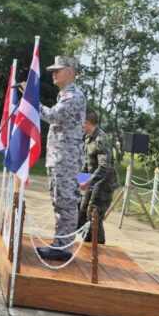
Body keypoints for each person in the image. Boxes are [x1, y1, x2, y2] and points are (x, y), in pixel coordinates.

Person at [36, 56, 86, 261]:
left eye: (58, 70)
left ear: (70, 73)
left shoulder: (74, 95)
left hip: (67, 159)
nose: (54, 73)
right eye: (53, 70)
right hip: (59, 158)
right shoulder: (64, 94)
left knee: (66, 203)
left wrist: (32, 102)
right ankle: (60, 244)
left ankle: (63, 248)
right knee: (59, 201)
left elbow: (53, 116)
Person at [79, 109, 117, 243]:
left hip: (103, 184)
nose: (80, 125)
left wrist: (88, 182)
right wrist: (81, 181)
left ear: (87, 123)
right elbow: (87, 163)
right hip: (92, 182)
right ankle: (87, 242)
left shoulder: (101, 139)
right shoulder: (88, 137)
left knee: (94, 214)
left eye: (81, 122)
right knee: (83, 210)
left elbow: (104, 167)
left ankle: (98, 246)